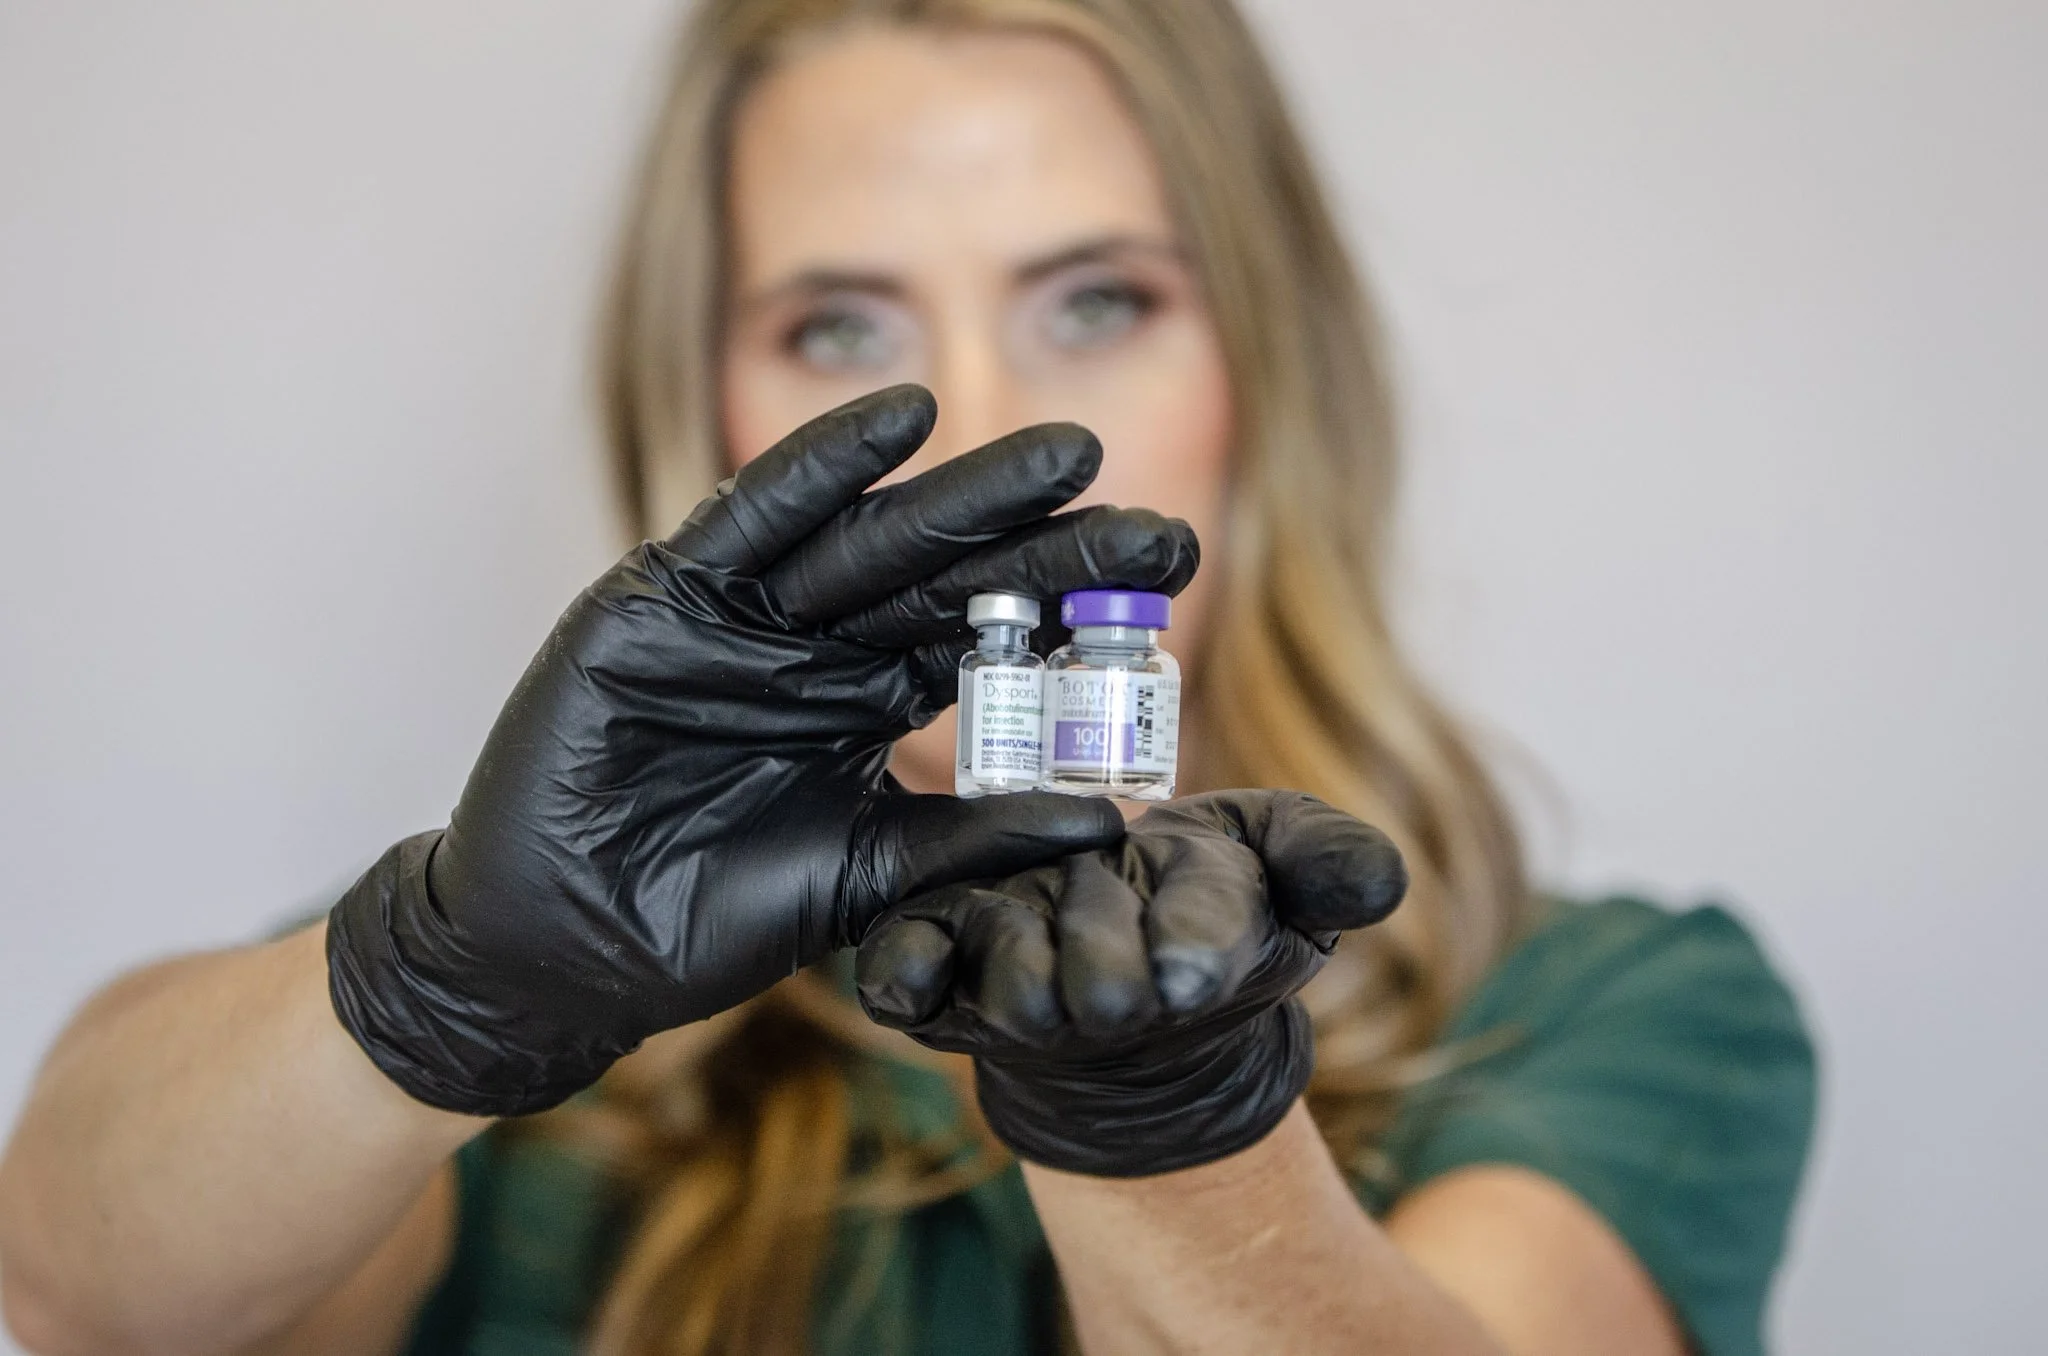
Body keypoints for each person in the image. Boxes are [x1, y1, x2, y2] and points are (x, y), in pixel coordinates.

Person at [0, 1, 1816, 1354]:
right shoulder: (567, 950)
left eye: (1097, 300)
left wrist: (1175, 1133)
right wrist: (433, 998)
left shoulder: (1607, 1007)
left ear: (1269, 366)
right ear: (703, 404)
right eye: (838, 326)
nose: (989, 429)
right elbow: (72, 1289)